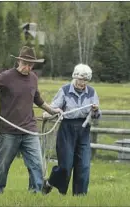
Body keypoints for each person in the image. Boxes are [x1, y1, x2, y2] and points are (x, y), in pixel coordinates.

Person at [0, 46, 63, 194]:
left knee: (37, 164)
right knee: (2, 164)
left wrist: (52, 111)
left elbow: (37, 99)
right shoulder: (5, 77)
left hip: (29, 129)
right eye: (25, 63)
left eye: (31, 65)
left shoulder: (33, 78)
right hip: (9, 131)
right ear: (19, 61)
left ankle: (35, 193)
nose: (27, 67)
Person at [41, 63, 102, 196]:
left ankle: (79, 196)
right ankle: (50, 183)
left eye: (85, 80)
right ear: (75, 77)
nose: (82, 83)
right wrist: (48, 113)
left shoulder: (92, 92)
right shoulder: (64, 90)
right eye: (80, 79)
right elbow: (53, 108)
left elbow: (97, 116)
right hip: (67, 129)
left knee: (84, 165)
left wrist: (96, 111)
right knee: (66, 166)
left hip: (84, 130)